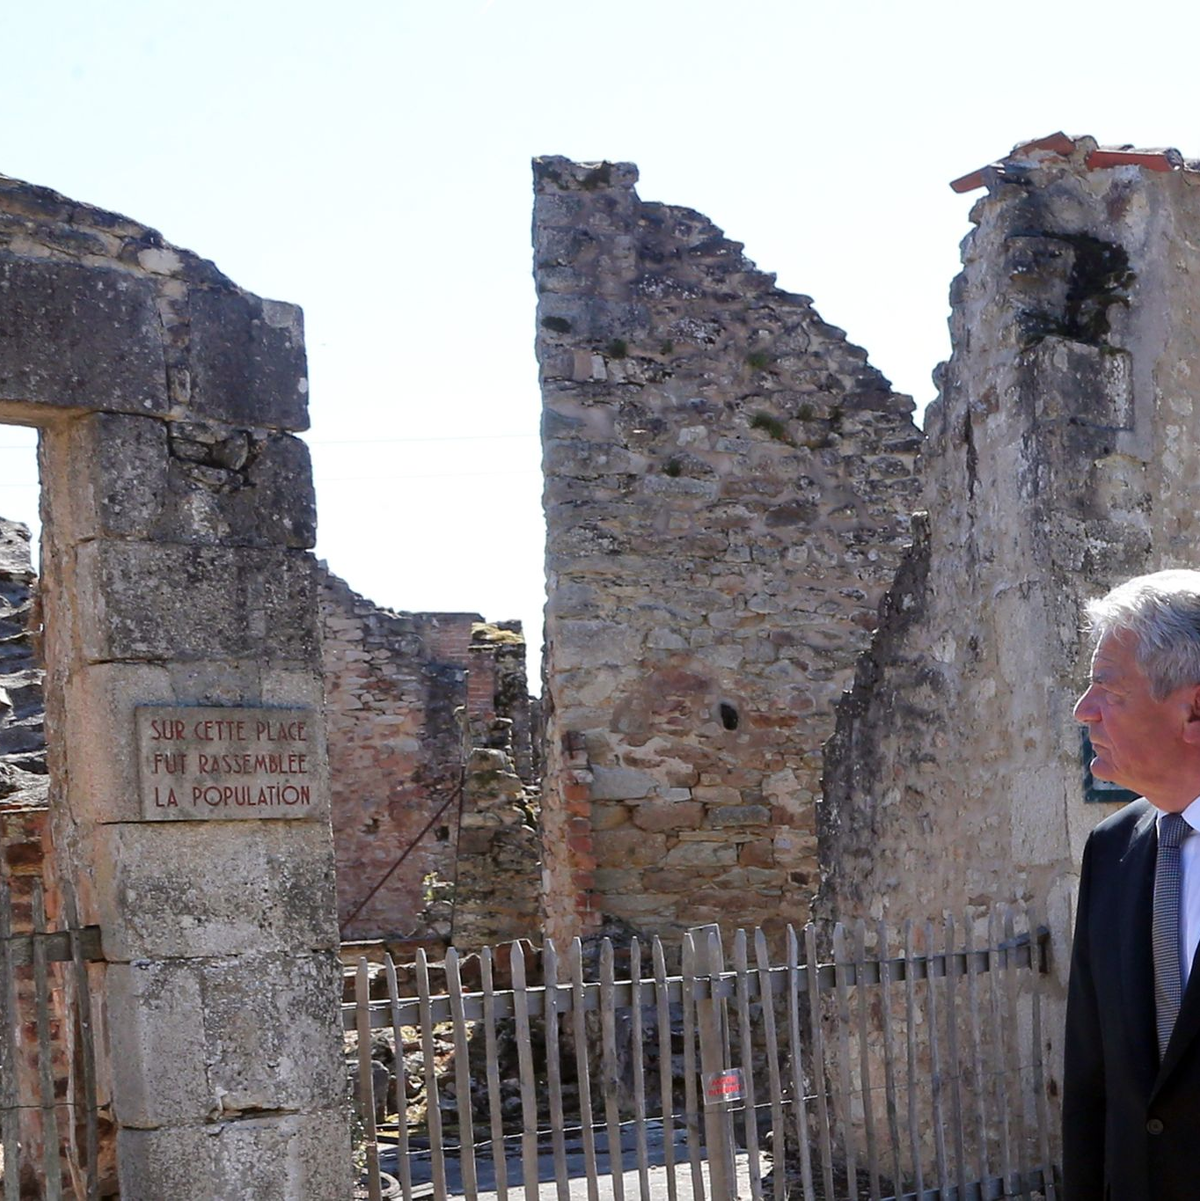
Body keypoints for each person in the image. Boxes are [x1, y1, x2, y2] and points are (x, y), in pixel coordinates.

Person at [1066, 569, 1200, 1199]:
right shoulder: (1111, 851)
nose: (1081, 710)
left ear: (1194, 709)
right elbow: (1092, 1080)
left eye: (1106, 689)